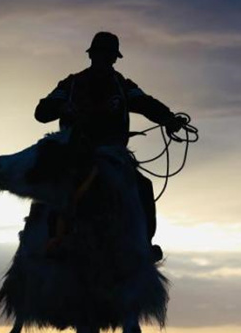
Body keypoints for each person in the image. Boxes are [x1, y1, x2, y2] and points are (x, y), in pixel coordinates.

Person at [34, 31, 186, 261]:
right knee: (57, 191)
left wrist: (168, 118)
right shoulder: (71, 84)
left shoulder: (123, 86)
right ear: (92, 55)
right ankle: (52, 241)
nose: (105, 59)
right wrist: (61, 108)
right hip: (75, 155)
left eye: (109, 56)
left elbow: (146, 103)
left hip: (113, 157)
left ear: (114, 58)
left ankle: (145, 244)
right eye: (101, 54)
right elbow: (42, 112)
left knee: (143, 187)